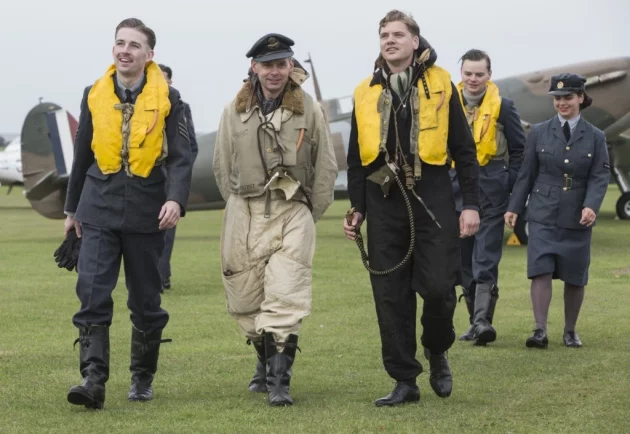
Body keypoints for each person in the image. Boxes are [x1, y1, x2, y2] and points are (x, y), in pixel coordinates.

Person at [343, 10, 480, 406]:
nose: (390, 40)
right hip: (382, 199)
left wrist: (470, 204)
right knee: (389, 295)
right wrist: (358, 209)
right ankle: (405, 379)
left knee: (439, 290)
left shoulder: (441, 84)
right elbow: (356, 159)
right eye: (384, 34)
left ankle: (437, 348)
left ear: (415, 41)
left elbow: (465, 151)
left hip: (432, 196)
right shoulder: (364, 91)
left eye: (398, 34)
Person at [63, 18, 193, 409]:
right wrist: (72, 209)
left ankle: (142, 378)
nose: (125, 50)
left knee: (146, 301)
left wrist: (175, 199)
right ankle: (93, 380)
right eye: (120, 43)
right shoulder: (93, 94)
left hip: (146, 210)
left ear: (149, 55)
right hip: (97, 206)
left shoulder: (172, 99)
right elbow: (82, 153)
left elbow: (183, 157)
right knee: (92, 293)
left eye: (134, 45)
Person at [213, 33, 338, 406]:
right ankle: (265, 362)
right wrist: (240, 205)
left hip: (292, 210)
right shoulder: (233, 111)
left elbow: (325, 166)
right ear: (254, 67)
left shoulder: (309, 109)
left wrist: (305, 211)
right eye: (267, 65)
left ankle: (280, 383)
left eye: (281, 64)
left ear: (290, 66)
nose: (274, 72)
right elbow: (222, 166)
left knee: (286, 295)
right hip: (245, 210)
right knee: (245, 299)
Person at [505, 73, 610, 349]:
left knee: (575, 275)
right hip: (542, 213)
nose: (562, 103)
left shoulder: (596, 137)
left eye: (568, 98)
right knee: (540, 269)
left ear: (580, 98)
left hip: (578, 215)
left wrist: (591, 205)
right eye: (558, 99)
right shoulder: (539, 132)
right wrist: (515, 207)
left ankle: (570, 330)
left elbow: (599, 176)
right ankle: (539, 331)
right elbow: (526, 174)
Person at [451, 49, 526, 345]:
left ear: (489, 76)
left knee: (486, 257)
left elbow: (520, 150)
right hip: (455, 191)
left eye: (479, 74)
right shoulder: (447, 106)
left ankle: (483, 321)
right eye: (468, 73)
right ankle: (473, 322)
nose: (473, 79)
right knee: (463, 260)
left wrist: (508, 182)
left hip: (492, 190)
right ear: (462, 74)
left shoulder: (504, 107)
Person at [157, 64, 199, 291]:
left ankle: (161, 278)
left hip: (168, 182)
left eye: (164, 78)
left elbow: (190, 146)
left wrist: (178, 176)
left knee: (166, 233)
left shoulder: (182, 107)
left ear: (171, 82)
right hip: (142, 181)